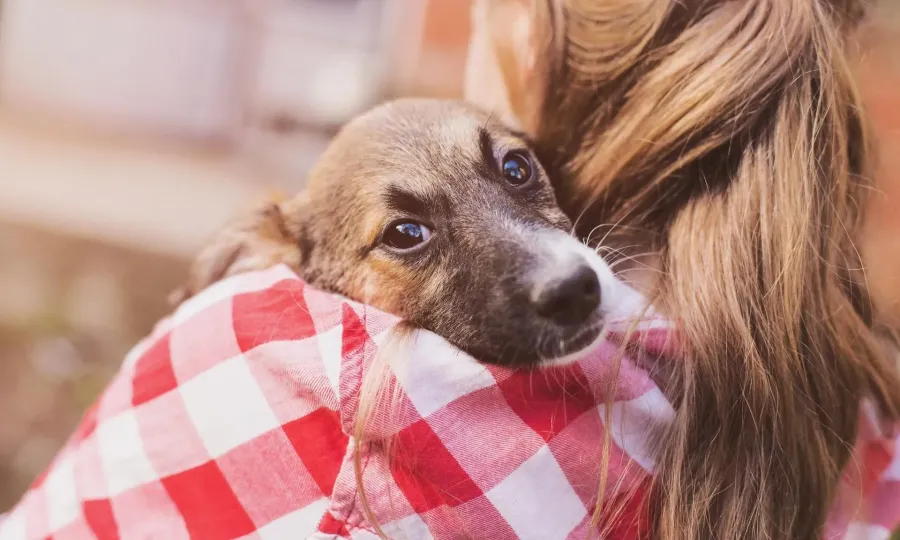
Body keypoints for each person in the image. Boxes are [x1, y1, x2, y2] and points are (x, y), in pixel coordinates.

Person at [2, 1, 898, 539]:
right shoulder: (845, 412)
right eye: (405, 235)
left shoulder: (279, 385)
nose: (557, 270)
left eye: (513, 169)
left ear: (517, 33)